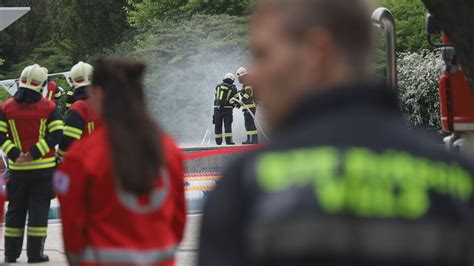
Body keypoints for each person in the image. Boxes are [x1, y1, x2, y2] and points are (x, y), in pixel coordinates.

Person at [199, 0, 474, 265]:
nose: (255, 77)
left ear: (316, 53)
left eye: (263, 54)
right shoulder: (458, 179)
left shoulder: (247, 190)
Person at [55, 57, 186, 266]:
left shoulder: (80, 157)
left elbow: (73, 228)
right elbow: (178, 222)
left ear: (97, 93)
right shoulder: (168, 149)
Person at [0, 64, 63, 263]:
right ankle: (35, 255)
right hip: (43, 170)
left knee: (15, 212)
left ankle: (11, 254)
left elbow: (0, 134)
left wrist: (15, 153)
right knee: (38, 212)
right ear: (42, 84)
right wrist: (35, 153)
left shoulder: (6, 107)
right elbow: (57, 133)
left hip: (18, 171)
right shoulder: (49, 107)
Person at [57, 62, 97, 157]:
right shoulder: (109, 102)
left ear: (72, 80)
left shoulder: (79, 107)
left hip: (89, 160)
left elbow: (68, 139)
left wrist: (60, 154)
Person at [213, 73, 238, 145]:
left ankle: (218, 142)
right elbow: (237, 101)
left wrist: (216, 109)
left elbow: (216, 98)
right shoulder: (233, 88)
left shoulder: (218, 87)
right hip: (227, 109)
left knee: (217, 125)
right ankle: (228, 141)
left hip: (216, 109)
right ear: (232, 80)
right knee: (227, 125)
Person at [236, 67, 259, 144]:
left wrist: (242, 100)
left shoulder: (247, 81)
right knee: (248, 123)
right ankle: (249, 139)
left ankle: (254, 139)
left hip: (250, 105)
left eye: (239, 77)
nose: (238, 78)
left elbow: (248, 92)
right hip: (247, 106)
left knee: (250, 122)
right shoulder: (246, 82)